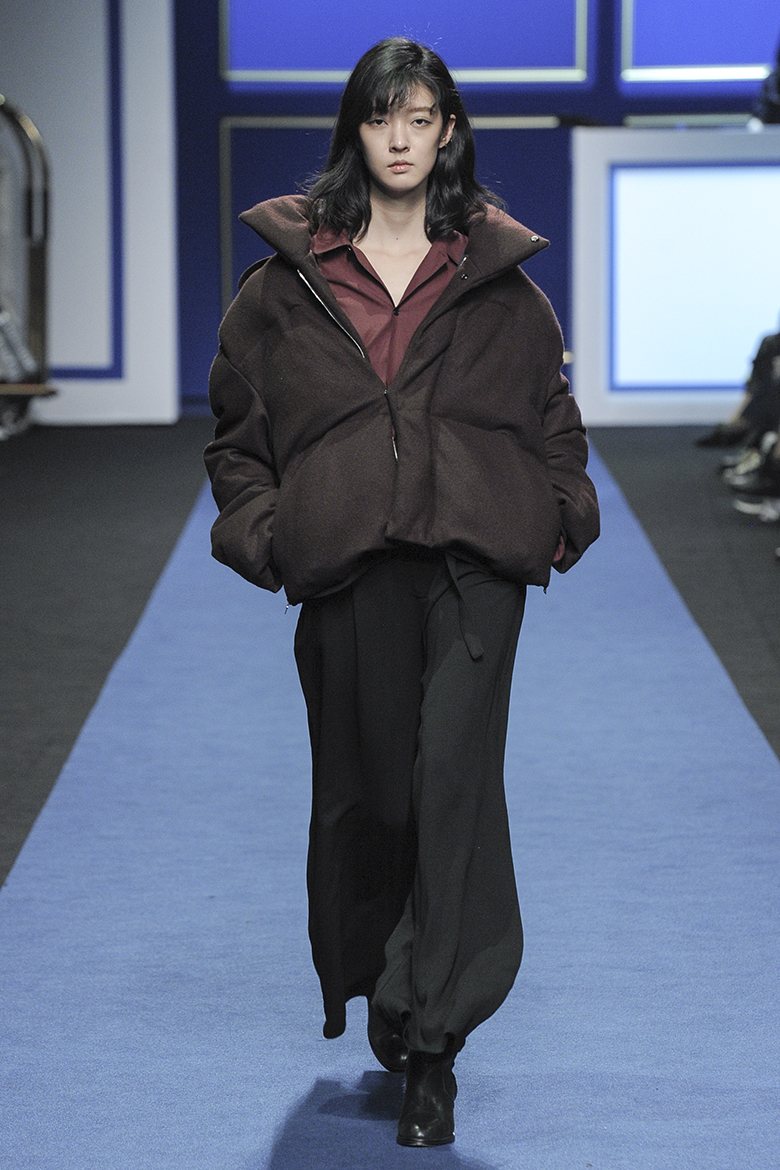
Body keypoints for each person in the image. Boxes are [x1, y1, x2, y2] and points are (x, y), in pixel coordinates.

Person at [205, 37, 600, 1148]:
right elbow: (236, 437)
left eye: (420, 118)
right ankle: (393, 976)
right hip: (349, 563)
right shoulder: (285, 286)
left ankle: (435, 1045)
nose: (400, 139)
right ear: (356, 129)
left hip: (475, 563)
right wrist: (272, 535)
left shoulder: (497, 278)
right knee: (376, 800)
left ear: (447, 132)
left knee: (452, 788)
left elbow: (552, 417)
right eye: (382, 117)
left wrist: (557, 512)